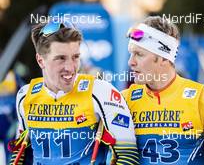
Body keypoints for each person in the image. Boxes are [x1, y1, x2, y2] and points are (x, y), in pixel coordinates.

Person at [10, 20, 139, 165]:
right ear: (41, 61)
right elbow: (20, 153)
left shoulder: (100, 91)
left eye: (75, 57)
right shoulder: (25, 95)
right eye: (61, 58)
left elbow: (128, 155)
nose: (70, 67)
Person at [122, 16, 204, 164]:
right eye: (131, 53)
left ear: (164, 59)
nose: (131, 62)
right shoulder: (123, 101)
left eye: (139, 54)